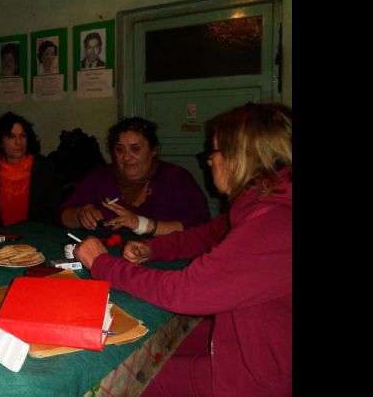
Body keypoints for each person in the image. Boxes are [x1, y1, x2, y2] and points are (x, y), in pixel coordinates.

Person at [74, 102, 292, 396]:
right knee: (140, 346)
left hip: (257, 379)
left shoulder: (275, 223)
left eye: (213, 153)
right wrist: (153, 249)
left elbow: (184, 292)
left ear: (239, 158)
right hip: (250, 342)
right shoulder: (260, 201)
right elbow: (205, 235)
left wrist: (101, 263)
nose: (209, 162)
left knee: (115, 378)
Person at [59, 117, 209, 236]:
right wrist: (79, 215)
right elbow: (62, 215)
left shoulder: (175, 178)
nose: (126, 157)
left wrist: (142, 224)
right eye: (119, 150)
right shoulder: (101, 176)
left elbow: (199, 226)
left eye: (135, 149)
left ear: (153, 150)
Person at [0, 112, 60, 230]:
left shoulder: (44, 168)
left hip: (38, 234)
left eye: (23, 136)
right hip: (0, 236)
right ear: (0, 142)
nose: (18, 142)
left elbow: (52, 210)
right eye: (11, 136)